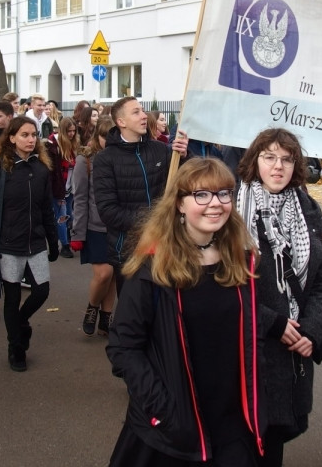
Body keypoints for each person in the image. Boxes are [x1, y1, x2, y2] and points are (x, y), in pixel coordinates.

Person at [106, 158, 265, 466]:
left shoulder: (242, 262)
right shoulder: (152, 269)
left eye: (223, 194)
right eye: (201, 195)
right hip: (175, 429)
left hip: (231, 423)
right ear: (179, 203)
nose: (215, 204)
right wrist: (163, 409)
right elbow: (124, 347)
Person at [236, 128, 322, 466]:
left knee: (276, 437)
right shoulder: (232, 209)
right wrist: (271, 321)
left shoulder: (308, 208)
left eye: (286, 159)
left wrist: (312, 329)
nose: (278, 166)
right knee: (244, 438)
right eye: (269, 157)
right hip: (248, 345)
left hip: (293, 351)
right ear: (254, 161)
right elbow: (222, 284)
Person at [0, 116, 58, 372]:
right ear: (11, 138)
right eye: (24, 135)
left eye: (33, 135)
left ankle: (21, 323)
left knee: (41, 291)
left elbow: (47, 209)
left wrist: (53, 241)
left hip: (35, 242)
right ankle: (16, 347)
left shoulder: (41, 169)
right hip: (8, 244)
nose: (31, 140)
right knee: (11, 297)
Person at [93, 96, 188, 294]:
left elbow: (188, 180)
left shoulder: (160, 149)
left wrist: (185, 156)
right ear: (121, 122)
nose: (144, 116)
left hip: (164, 245)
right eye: (136, 112)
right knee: (133, 313)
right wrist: (152, 222)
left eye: (143, 111)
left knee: (164, 309)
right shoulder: (105, 159)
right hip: (128, 250)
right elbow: (108, 211)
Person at [71, 116, 117, 336]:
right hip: (94, 227)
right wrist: (77, 233)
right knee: (104, 274)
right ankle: (92, 307)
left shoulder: (122, 158)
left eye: (113, 137)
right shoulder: (85, 160)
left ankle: (106, 318)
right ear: (96, 135)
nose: (108, 142)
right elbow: (79, 198)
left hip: (118, 226)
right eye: (104, 137)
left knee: (114, 274)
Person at [45, 116, 79, 259]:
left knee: (70, 216)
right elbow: (53, 172)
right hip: (59, 188)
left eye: (73, 131)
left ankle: (68, 241)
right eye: (69, 131)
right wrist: (59, 192)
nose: (71, 134)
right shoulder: (53, 144)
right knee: (62, 217)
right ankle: (64, 245)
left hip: (70, 187)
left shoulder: (73, 144)